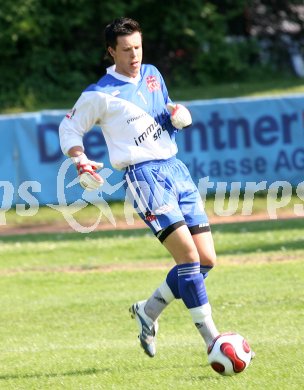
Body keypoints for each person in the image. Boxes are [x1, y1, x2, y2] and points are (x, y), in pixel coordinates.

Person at [59, 17, 219, 359]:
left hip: (176, 170)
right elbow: (69, 129)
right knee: (188, 259)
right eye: (127, 49)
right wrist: (80, 158)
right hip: (144, 177)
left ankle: (148, 311)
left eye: (138, 47)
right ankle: (213, 341)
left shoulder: (153, 74)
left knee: (205, 260)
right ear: (111, 52)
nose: (134, 55)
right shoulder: (100, 94)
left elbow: (166, 109)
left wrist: (177, 114)